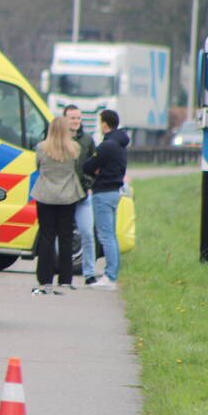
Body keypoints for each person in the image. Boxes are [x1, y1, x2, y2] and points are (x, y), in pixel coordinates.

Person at [30, 116, 84, 296]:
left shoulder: (41, 148)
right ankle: (65, 279)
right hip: (68, 195)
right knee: (66, 237)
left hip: (45, 195)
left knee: (47, 236)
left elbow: (38, 167)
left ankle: (44, 278)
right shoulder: (75, 148)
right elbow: (76, 168)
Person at [83, 109, 129, 289]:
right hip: (114, 192)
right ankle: (112, 274)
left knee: (105, 235)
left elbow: (88, 166)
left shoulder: (107, 145)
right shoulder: (120, 144)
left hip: (102, 192)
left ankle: (110, 276)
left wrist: (97, 170)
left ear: (104, 124)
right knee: (111, 235)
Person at [64, 105, 98, 285]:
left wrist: (88, 183)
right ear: (65, 119)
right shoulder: (59, 139)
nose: (76, 121)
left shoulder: (87, 140)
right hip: (63, 196)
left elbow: (95, 165)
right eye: (72, 118)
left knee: (87, 234)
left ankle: (90, 273)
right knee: (63, 235)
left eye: (78, 118)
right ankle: (64, 275)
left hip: (83, 196)